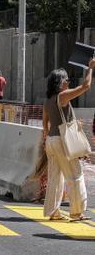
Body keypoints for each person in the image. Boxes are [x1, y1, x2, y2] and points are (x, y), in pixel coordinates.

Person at [42, 64, 94, 221]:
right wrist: (90, 68)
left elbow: (45, 124)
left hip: (51, 141)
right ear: (60, 82)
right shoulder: (62, 97)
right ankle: (77, 212)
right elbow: (86, 86)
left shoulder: (48, 101)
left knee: (55, 178)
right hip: (61, 141)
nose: (69, 83)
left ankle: (53, 212)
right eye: (67, 80)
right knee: (75, 175)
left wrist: (49, 136)